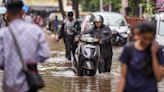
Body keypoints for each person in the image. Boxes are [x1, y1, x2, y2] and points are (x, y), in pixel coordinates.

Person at [0, 1, 50, 92]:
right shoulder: (36, 30)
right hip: (29, 83)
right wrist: (30, 60)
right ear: (22, 12)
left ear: (7, 14)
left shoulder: (3, 34)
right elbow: (45, 54)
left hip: (9, 85)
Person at [118, 21, 164, 92]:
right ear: (139, 35)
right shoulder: (129, 49)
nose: (147, 42)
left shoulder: (158, 50)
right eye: (145, 38)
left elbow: (159, 78)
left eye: (150, 39)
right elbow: (123, 76)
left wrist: (153, 55)